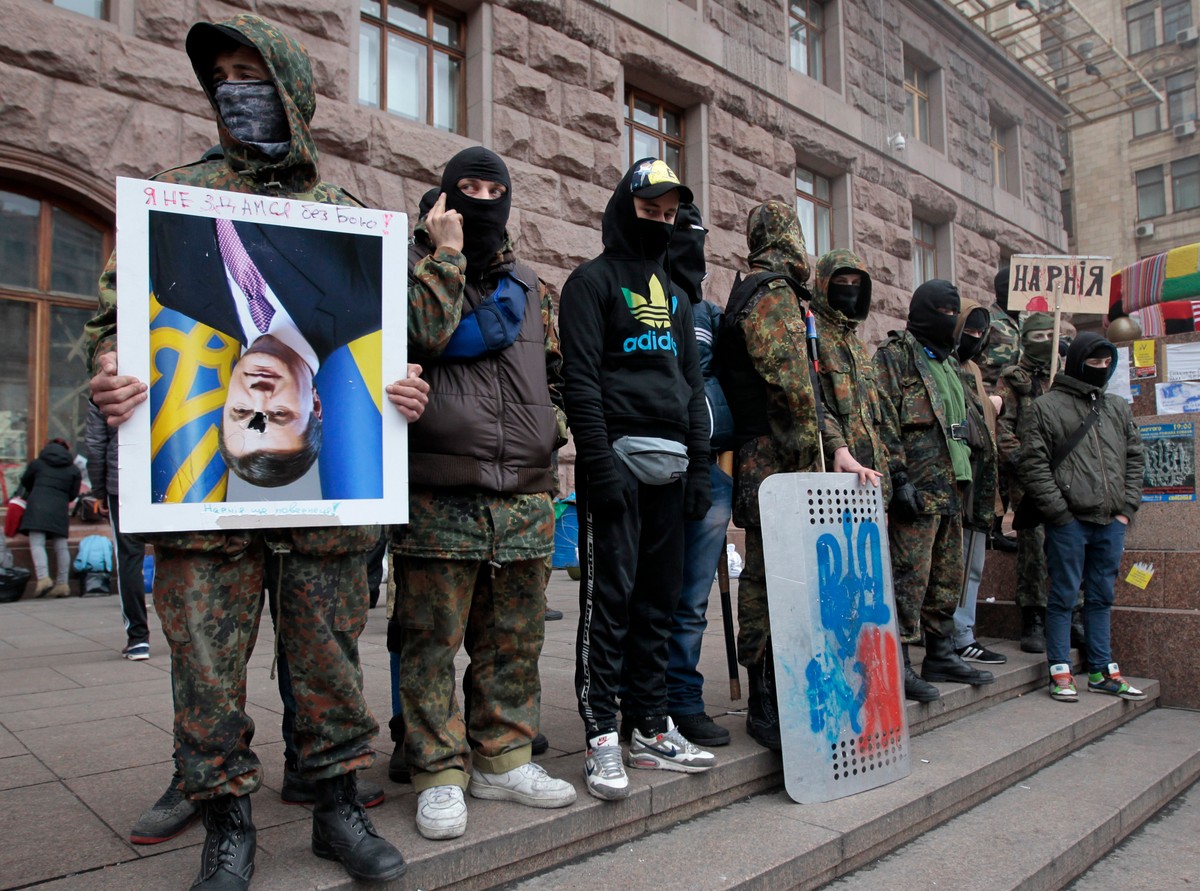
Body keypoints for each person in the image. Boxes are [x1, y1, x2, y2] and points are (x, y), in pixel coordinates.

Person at [84, 15, 418, 888]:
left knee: (328, 657)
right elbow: (109, 326)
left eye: (254, 74)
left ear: (293, 90)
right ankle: (226, 823)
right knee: (203, 661)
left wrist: (403, 389)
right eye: (223, 76)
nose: (236, 90)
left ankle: (336, 806)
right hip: (205, 518)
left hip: (325, 522)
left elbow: (397, 344)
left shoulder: (346, 222)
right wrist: (110, 369)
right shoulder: (168, 198)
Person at [394, 145, 576, 841]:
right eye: (464, 187)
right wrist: (444, 255)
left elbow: (555, 371)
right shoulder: (413, 270)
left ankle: (503, 757)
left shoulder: (532, 287)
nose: (478, 198)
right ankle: (439, 772)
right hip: (441, 491)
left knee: (512, 642)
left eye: (490, 187)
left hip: (525, 494)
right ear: (443, 196)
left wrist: (548, 428)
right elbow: (417, 335)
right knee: (431, 642)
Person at [560, 157, 715, 801]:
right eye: (648, 208)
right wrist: (597, 465)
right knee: (609, 606)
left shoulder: (678, 297)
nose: (658, 219)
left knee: (659, 604)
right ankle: (601, 737)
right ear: (624, 207)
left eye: (668, 211)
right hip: (617, 466)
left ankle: (650, 728)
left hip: (673, 471)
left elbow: (691, 387)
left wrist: (701, 470)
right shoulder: (589, 284)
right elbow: (582, 381)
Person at [147, 211, 381, 488]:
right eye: (279, 414)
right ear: (316, 404)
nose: (259, 396)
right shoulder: (370, 298)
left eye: (241, 411)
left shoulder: (175, 291)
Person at [715, 199, 821, 750]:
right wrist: (812, 459)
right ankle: (765, 692)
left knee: (767, 569)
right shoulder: (774, 293)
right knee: (766, 572)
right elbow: (792, 383)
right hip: (778, 456)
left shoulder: (750, 289)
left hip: (764, 454)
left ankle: (772, 682)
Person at [873, 279, 994, 702]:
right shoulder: (895, 356)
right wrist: (898, 478)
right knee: (909, 579)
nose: (949, 319)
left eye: (953, 311)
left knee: (946, 579)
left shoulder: (952, 365)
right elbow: (883, 420)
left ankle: (940, 651)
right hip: (917, 489)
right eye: (942, 311)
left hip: (953, 487)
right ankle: (900, 660)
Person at [1018, 333, 1146, 702]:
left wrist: (1126, 510)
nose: (1102, 370)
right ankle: (1060, 670)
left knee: (1102, 596)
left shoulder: (1117, 408)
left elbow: (1134, 458)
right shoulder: (1045, 408)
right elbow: (1034, 465)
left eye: (1108, 363)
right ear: (1077, 362)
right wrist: (1060, 514)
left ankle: (1102, 669)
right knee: (1062, 596)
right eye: (1095, 363)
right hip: (1070, 522)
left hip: (1110, 521)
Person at [664, 202, 733, 748]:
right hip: (655, 470)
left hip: (708, 474)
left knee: (691, 599)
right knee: (649, 592)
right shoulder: (634, 294)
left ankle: (684, 698)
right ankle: (643, 699)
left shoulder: (709, 315)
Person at [950, 298, 1007, 665]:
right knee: (952, 564)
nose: (973, 337)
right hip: (955, 481)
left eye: (979, 331)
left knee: (972, 563)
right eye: (967, 329)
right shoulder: (944, 366)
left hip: (979, 484)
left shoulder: (973, 369)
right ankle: (954, 633)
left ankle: (962, 630)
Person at [994, 313, 1054, 654]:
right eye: (1038, 335)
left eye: (1051, 334)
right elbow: (1003, 430)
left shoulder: (1064, 377)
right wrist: (1027, 465)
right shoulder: (1013, 378)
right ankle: (1033, 614)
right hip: (1029, 477)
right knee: (1033, 540)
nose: (1045, 341)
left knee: (1068, 544)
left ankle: (1070, 612)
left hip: (1064, 475)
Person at [809, 249, 887, 491]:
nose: (849, 289)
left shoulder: (856, 343)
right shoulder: (810, 333)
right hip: (835, 475)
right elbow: (813, 401)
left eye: (856, 283)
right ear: (824, 284)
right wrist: (838, 447)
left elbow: (875, 417)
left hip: (870, 478)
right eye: (841, 283)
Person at [84, 403, 150, 657]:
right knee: (177, 553)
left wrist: (98, 490)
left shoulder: (106, 384)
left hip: (123, 482)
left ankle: (138, 638)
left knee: (129, 560)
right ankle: (184, 633)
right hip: (168, 473)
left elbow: (95, 445)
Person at [977, 263, 1021, 553]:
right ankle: (992, 527)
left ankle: (1003, 522)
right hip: (993, 401)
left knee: (1010, 466)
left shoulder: (1025, 322)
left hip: (1018, 402)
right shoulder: (990, 321)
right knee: (995, 464)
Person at [16, 438, 81, 598]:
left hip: (37, 505)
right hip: (59, 508)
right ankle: (62, 584)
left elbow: (25, 481)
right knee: (61, 545)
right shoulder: (73, 469)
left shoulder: (37, 463)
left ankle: (44, 578)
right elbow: (73, 495)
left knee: (37, 543)